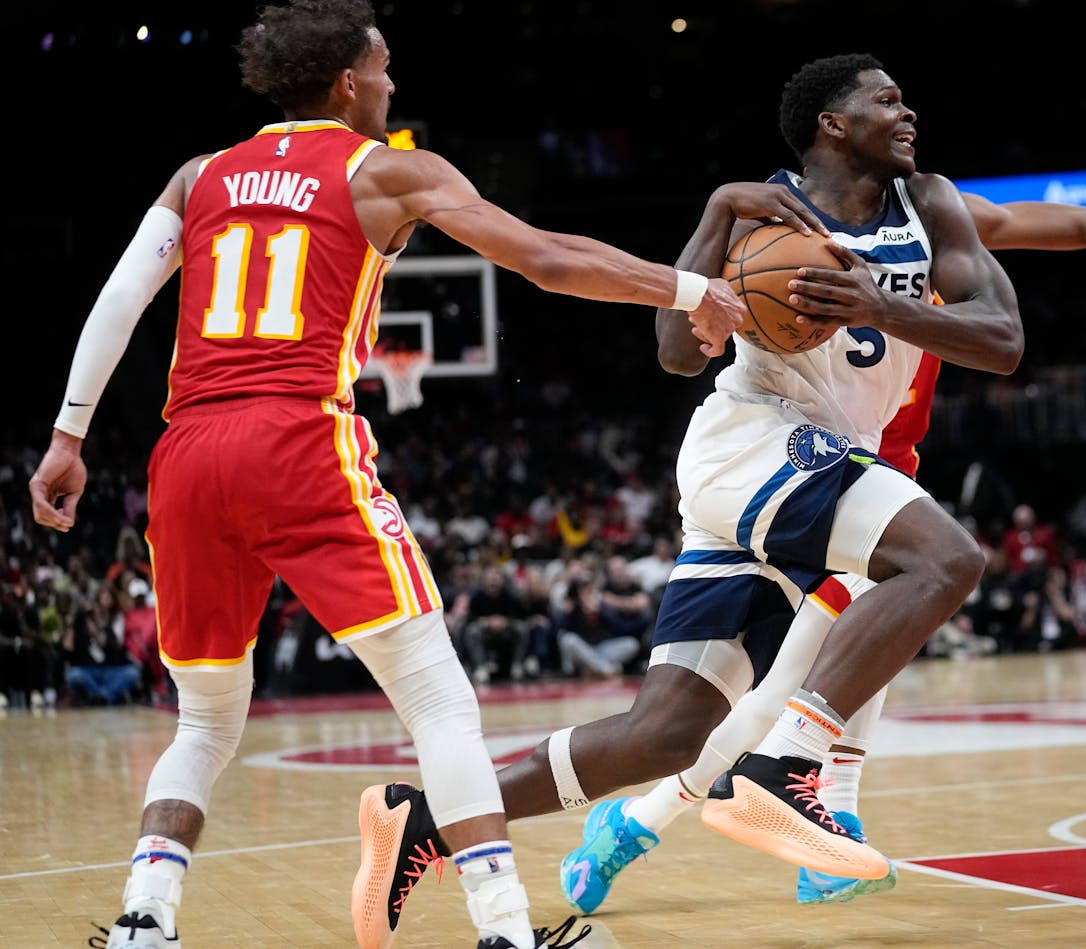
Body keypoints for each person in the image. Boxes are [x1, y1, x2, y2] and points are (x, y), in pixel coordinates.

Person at [362, 50, 1086, 927]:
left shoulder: (928, 203)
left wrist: (880, 306)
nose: (908, 113)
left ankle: (430, 818)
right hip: (754, 440)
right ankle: (787, 771)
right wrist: (713, 214)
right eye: (886, 100)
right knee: (945, 559)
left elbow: (1002, 339)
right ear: (833, 122)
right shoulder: (756, 214)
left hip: (823, 465)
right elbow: (675, 352)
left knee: (666, 731)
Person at [26, 2, 745, 947]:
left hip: (189, 453)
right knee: (438, 699)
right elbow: (547, 259)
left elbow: (118, 303)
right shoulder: (388, 170)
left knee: (202, 722)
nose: (394, 85)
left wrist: (68, 437)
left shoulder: (200, 176)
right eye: (386, 69)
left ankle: (145, 921)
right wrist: (689, 286)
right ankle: (503, 928)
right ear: (346, 83)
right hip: (297, 442)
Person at [555, 185, 1086, 912]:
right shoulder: (792, 223)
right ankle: (638, 821)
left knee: (849, 662)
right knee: (784, 692)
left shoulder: (938, 224)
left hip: (882, 470)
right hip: (796, 454)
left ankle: (818, 816)